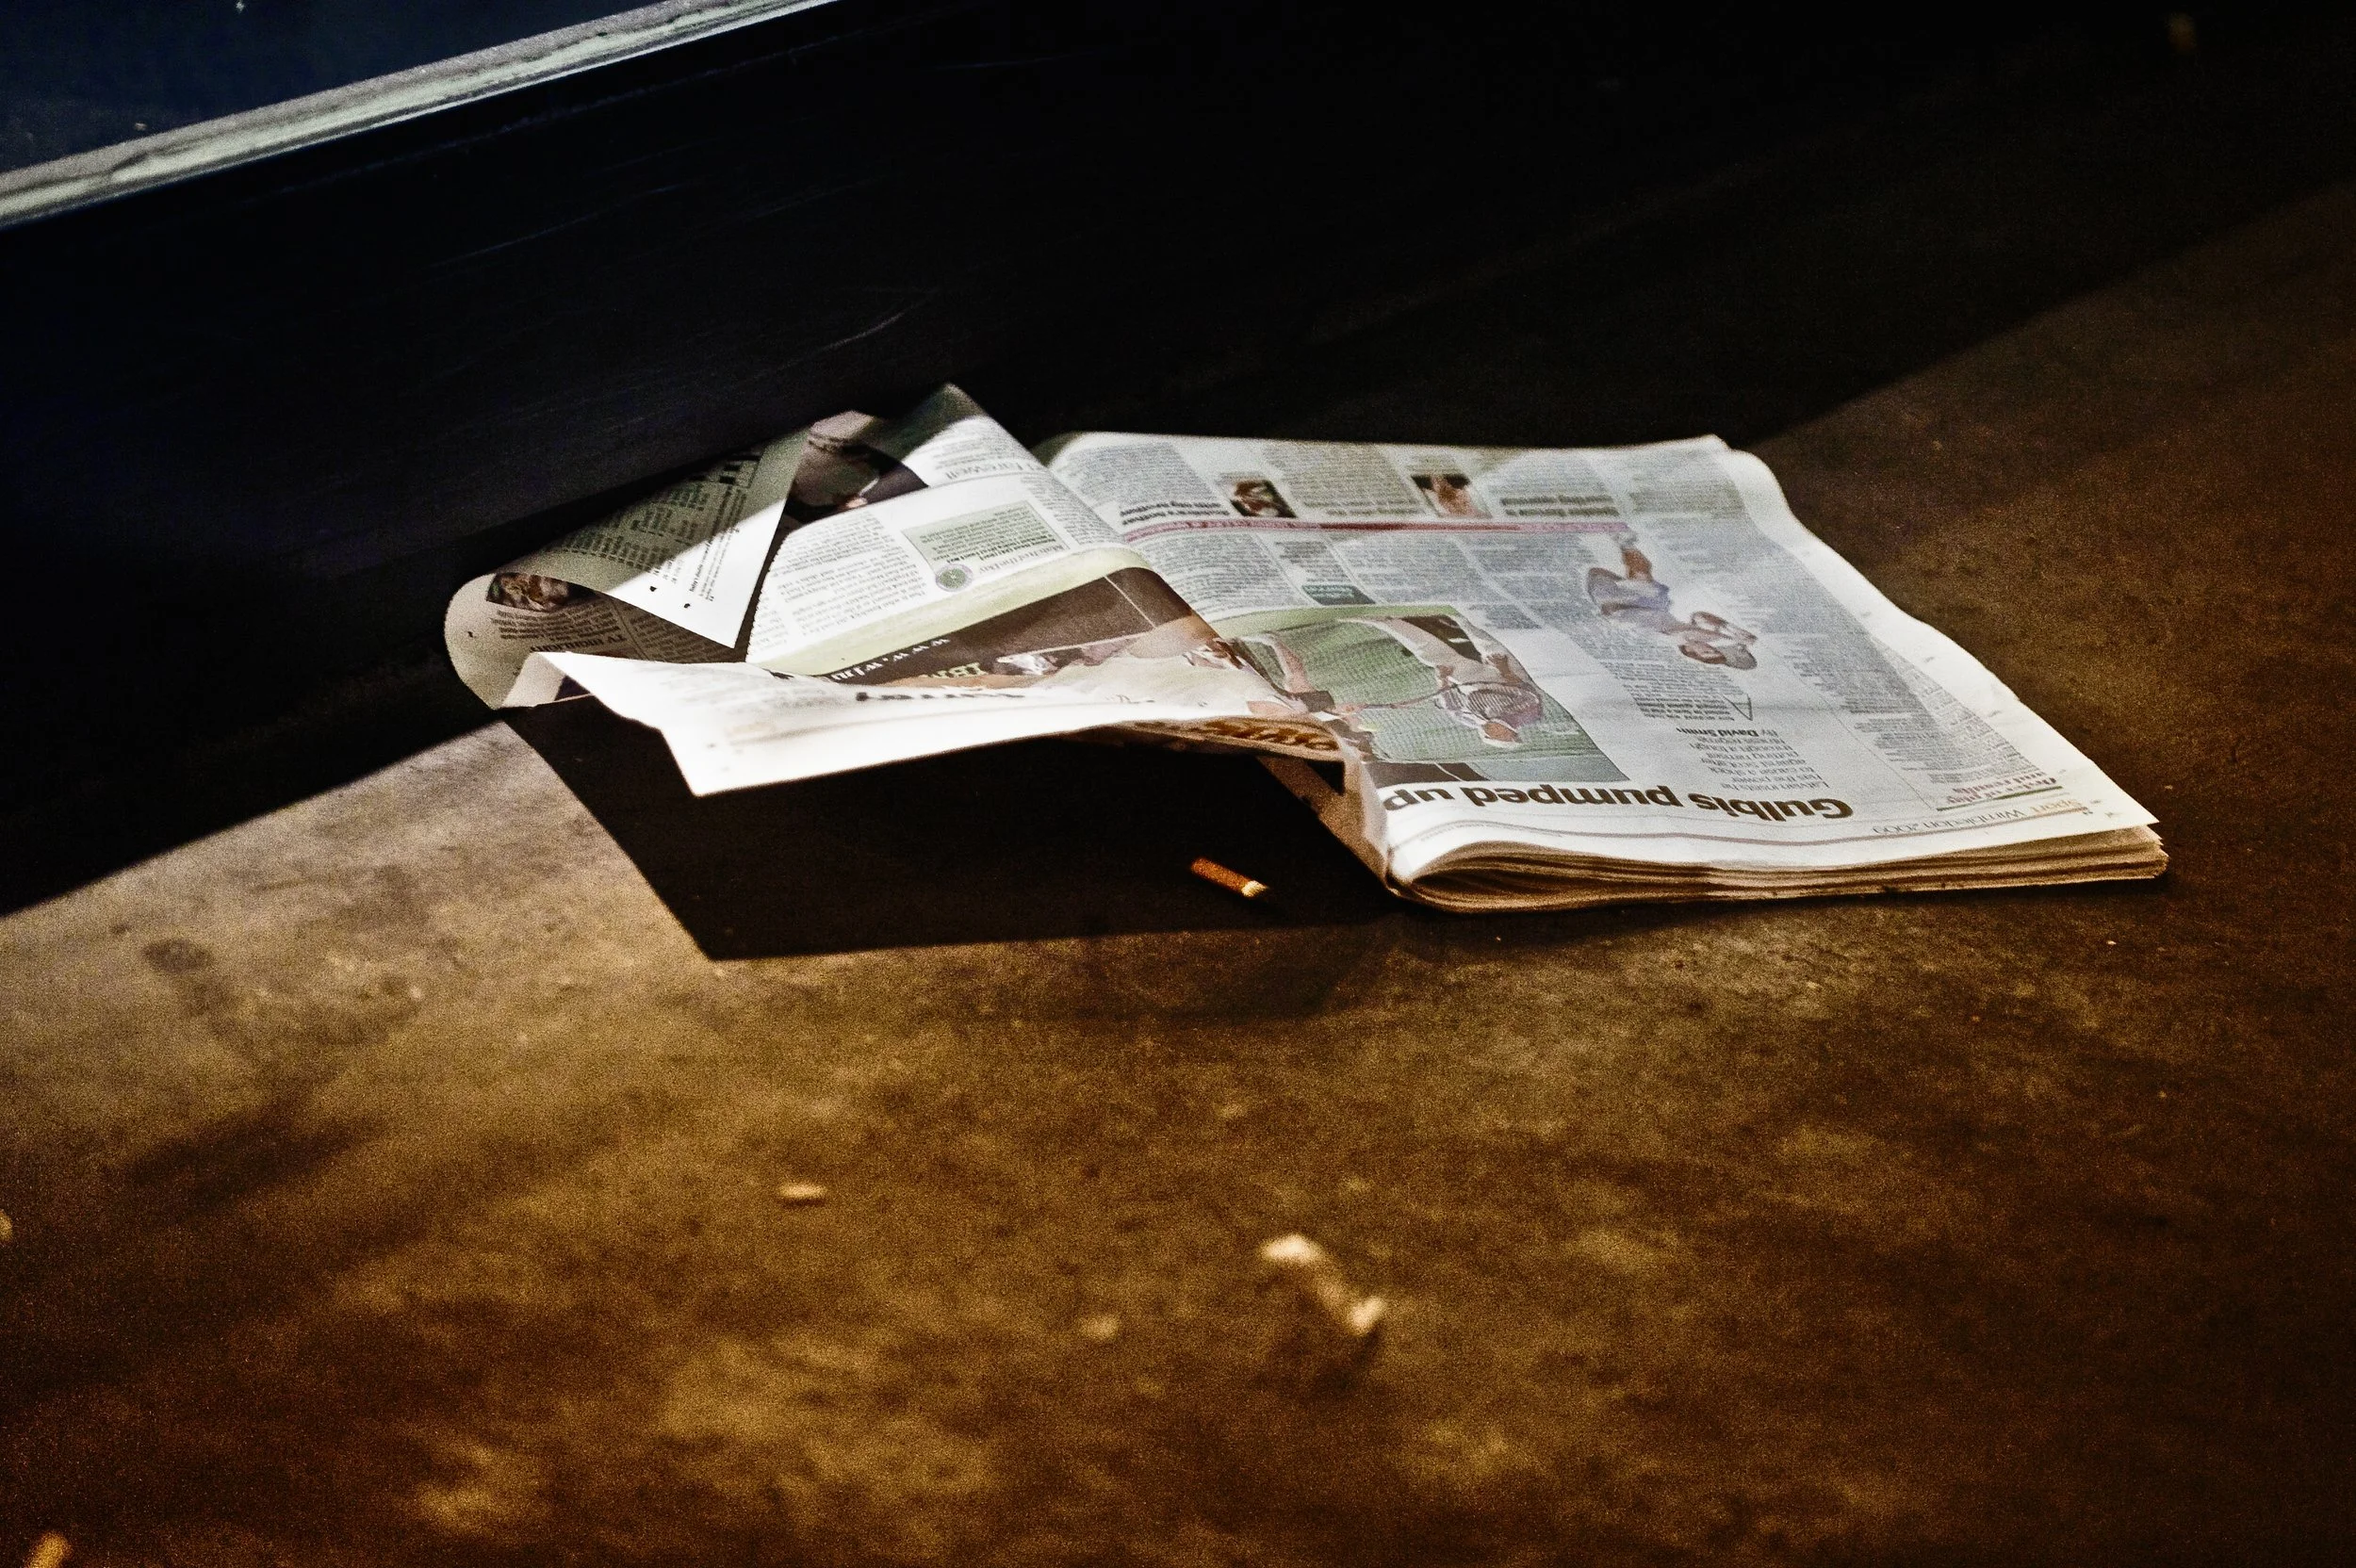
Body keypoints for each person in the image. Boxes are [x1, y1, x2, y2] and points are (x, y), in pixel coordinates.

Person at [1584, 535, 1758, 669]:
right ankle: (1622, 538)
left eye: (1706, 652)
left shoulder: (1677, 638)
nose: (1708, 647)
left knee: (1638, 579)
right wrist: (1731, 628)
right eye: (1712, 649)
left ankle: (1622, 539)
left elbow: (1689, 631)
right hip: (1648, 605)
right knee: (1645, 577)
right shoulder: (1692, 635)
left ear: (1691, 652)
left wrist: (1729, 636)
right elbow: (1699, 617)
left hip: (1617, 606)